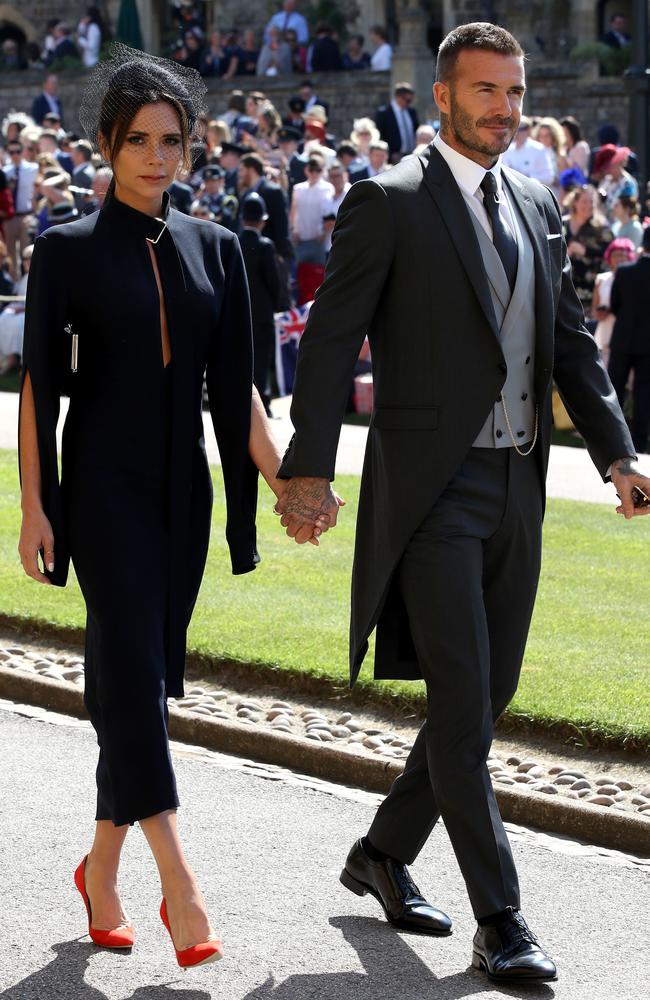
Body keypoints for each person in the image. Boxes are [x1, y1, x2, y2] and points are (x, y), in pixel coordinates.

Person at [275, 21, 648, 985]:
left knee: (483, 703)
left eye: (515, 92)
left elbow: (568, 341)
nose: (504, 108)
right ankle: (505, 919)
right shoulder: (386, 201)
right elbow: (330, 343)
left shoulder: (535, 202)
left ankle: (382, 854)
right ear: (443, 95)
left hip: (518, 483)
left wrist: (617, 453)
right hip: (431, 492)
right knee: (463, 697)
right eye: (485, 90)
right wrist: (307, 469)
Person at [17, 42, 287, 969]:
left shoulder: (220, 248)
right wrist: (32, 505)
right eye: (137, 139)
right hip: (99, 492)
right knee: (128, 670)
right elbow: (38, 392)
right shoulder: (65, 249)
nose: (156, 156)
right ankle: (181, 884)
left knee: (133, 681)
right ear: (106, 145)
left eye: (171, 139)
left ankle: (98, 870)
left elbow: (239, 390)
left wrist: (287, 479)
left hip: (186, 496)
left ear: (190, 146)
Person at [609, 226, 650, 453]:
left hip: (623, 338)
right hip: (647, 344)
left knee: (614, 391)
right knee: (643, 394)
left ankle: (612, 443)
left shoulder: (624, 271)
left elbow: (615, 304)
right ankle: (639, 446)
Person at [239, 192, 280, 415]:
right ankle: (262, 402)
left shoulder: (233, 240)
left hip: (239, 311)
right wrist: (274, 304)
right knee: (261, 358)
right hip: (262, 312)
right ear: (262, 221)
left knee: (241, 355)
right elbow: (273, 282)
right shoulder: (265, 246)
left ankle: (240, 397)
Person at [562, 184, 612, 311]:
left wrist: (585, 251)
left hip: (591, 292)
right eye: (584, 202)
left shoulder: (601, 227)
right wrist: (565, 253)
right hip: (564, 290)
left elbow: (610, 252)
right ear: (575, 203)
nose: (589, 206)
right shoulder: (561, 224)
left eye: (592, 202)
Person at [592, 236, 636, 368]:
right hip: (605, 328)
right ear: (609, 257)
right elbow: (594, 309)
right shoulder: (602, 278)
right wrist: (599, 314)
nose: (620, 258)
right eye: (616, 255)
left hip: (626, 331)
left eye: (624, 255)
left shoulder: (634, 280)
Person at [289, 154, 333, 265]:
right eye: (311, 169)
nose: (314, 173)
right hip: (301, 239)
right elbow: (294, 210)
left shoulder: (328, 188)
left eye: (318, 170)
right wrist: (294, 230)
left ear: (322, 171)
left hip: (319, 240)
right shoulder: (298, 188)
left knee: (318, 276)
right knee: (300, 276)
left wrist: (323, 233)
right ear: (306, 170)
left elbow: (329, 213)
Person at [3, 139, 38, 276]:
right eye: (12, 152)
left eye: (18, 151)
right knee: (10, 255)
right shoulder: (5, 172)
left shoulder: (32, 169)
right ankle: (15, 287)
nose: (15, 155)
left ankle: (28, 285)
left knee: (27, 253)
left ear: (22, 151)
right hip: (10, 217)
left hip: (26, 215)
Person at [0, 243, 31, 375]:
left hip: (30, 315)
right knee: (5, 316)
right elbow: (18, 298)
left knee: (21, 323)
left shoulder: (41, 278)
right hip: (20, 311)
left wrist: (23, 310)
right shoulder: (24, 278)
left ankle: (24, 364)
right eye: (24, 259)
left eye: (29, 259)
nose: (26, 262)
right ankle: (10, 359)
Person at [502, 116, 553, 184]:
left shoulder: (539, 149)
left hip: (532, 192)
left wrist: (528, 178)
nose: (517, 132)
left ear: (529, 130)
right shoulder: (507, 150)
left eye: (521, 129)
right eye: (515, 128)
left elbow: (549, 177)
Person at [375, 83, 419, 162]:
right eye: (407, 100)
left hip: (411, 155)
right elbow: (380, 136)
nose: (409, 103)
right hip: (393, 157)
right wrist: (391, 153)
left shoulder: (412, 112)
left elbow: (416, 131)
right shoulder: (384, 113)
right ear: (398, 97)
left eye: (410, 100)